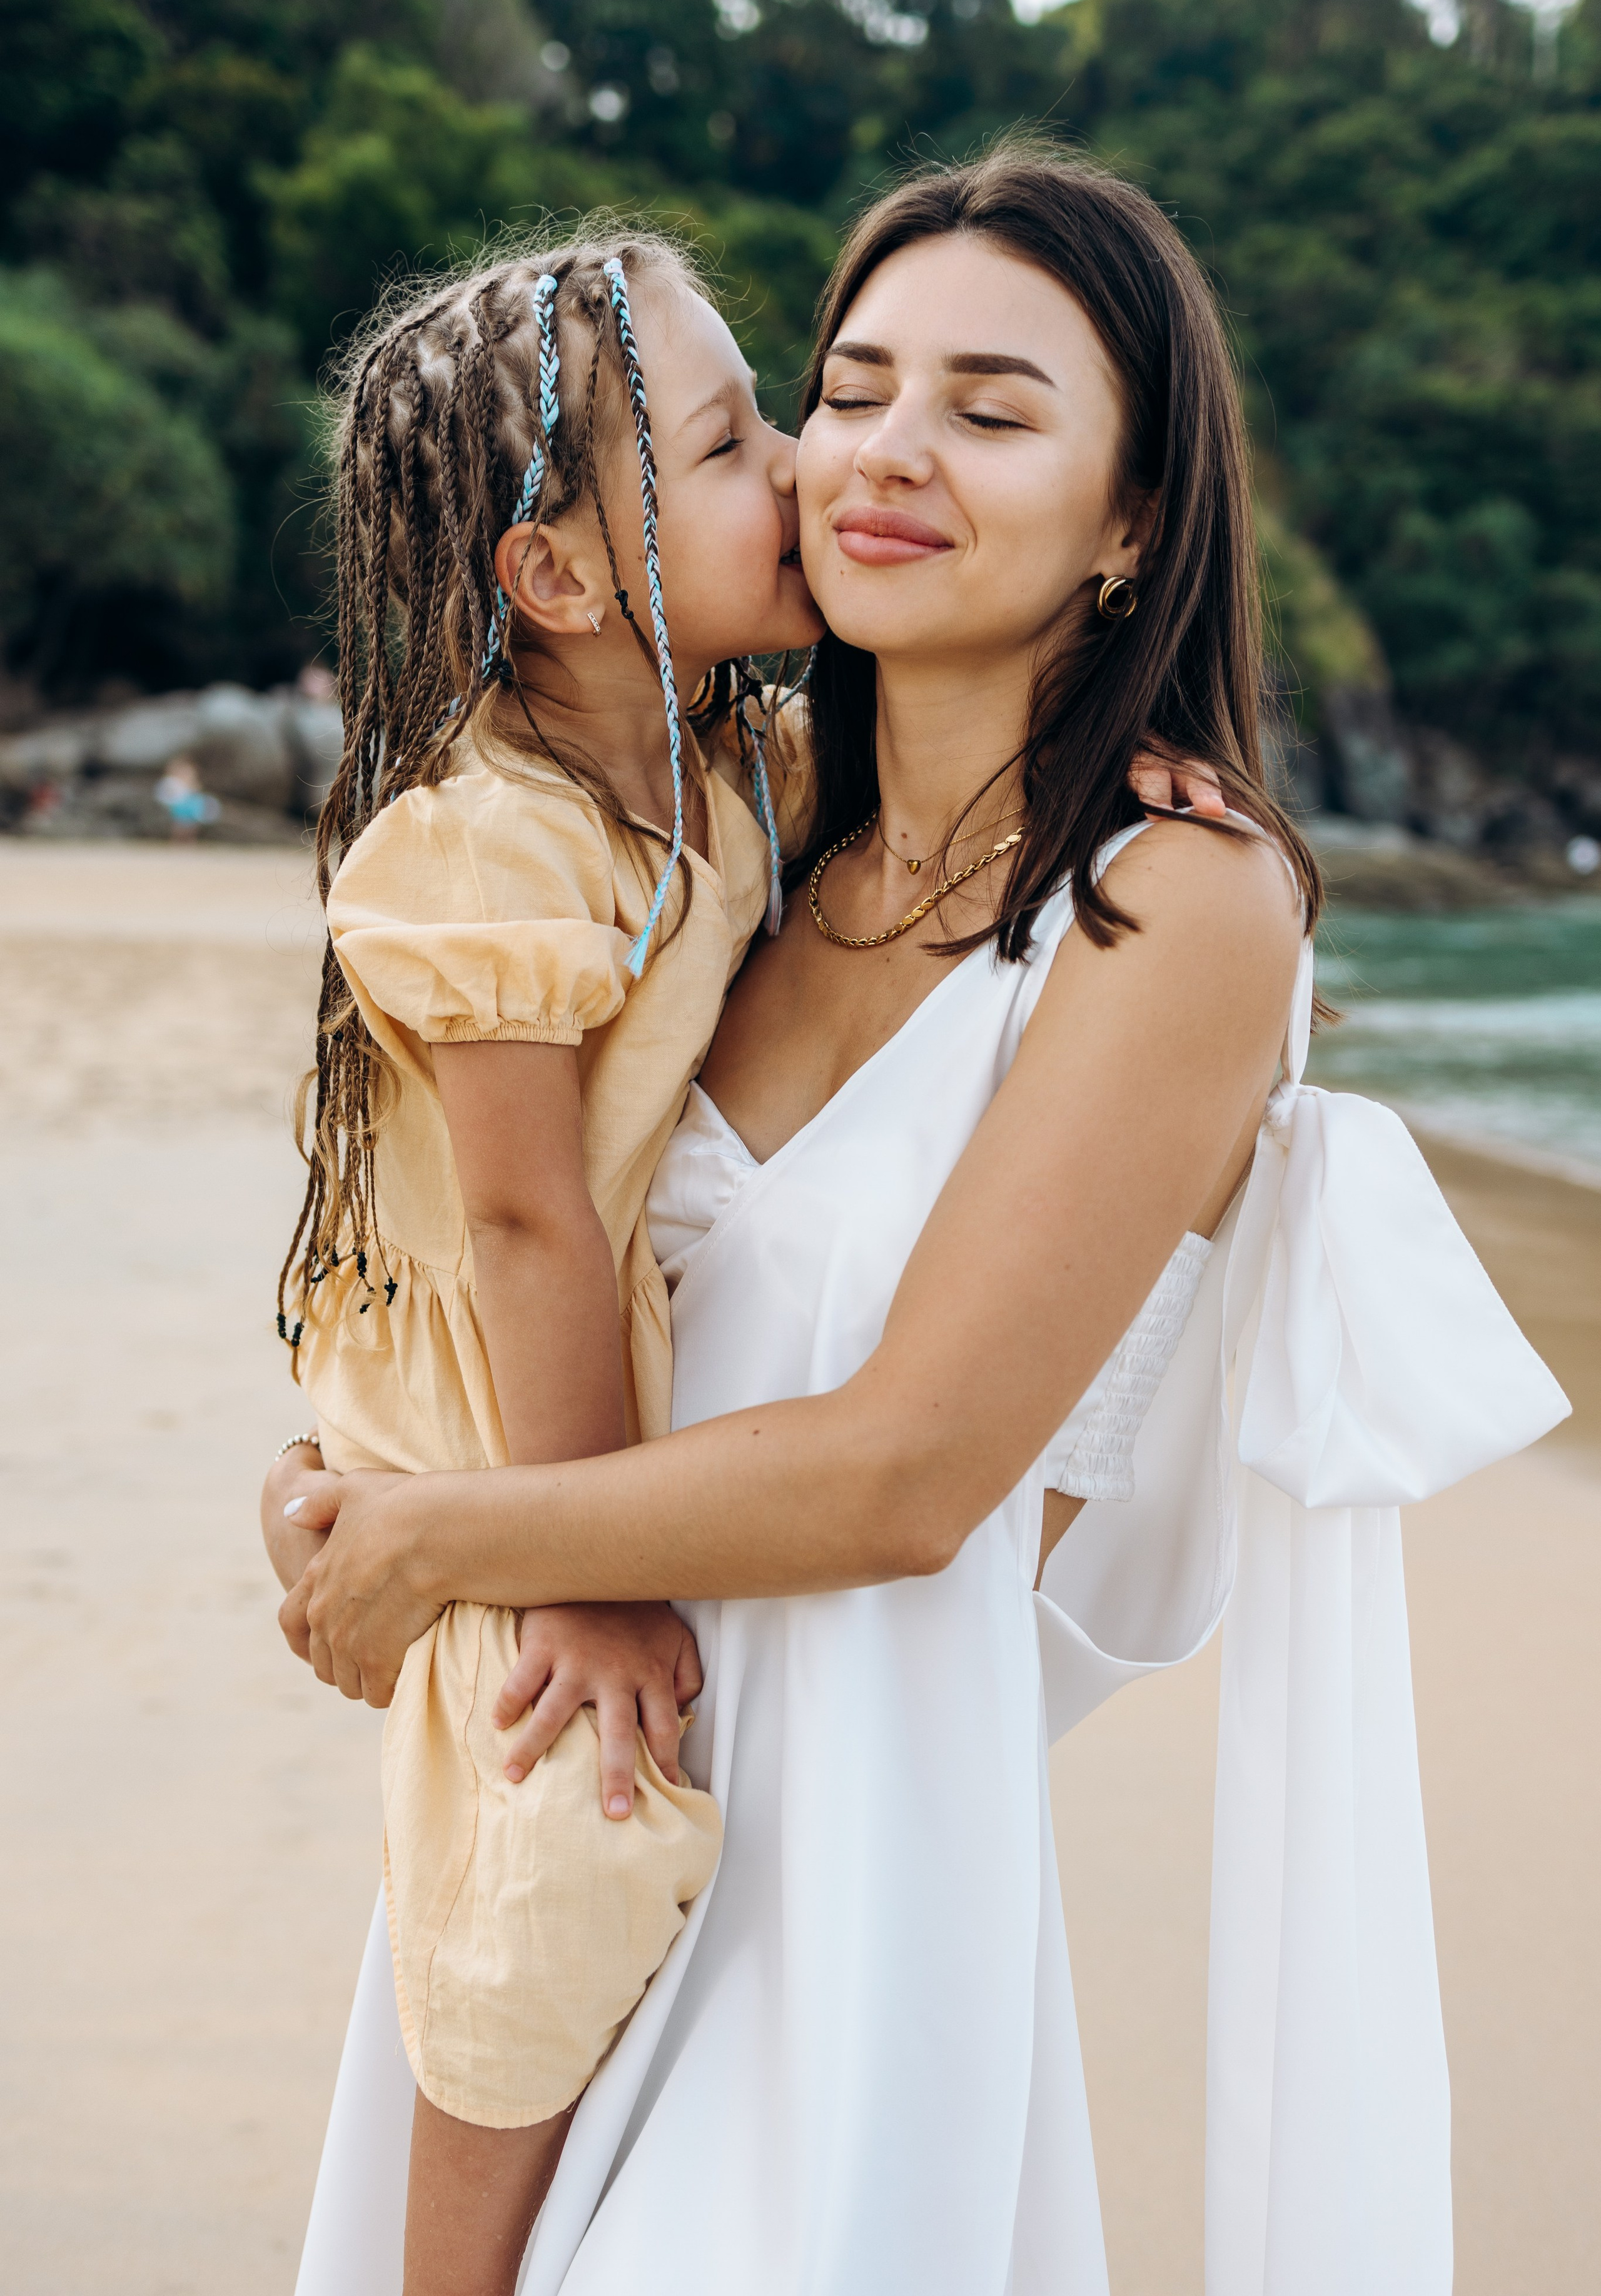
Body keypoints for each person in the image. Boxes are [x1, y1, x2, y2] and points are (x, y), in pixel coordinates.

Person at [272, 147, 1566, 2295]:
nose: (877, 453)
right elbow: (503, 1240)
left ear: (1135, 515)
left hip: (855, 1884)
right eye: (850, 385)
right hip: (560, 1807)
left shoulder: (1172, 901)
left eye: (993, 407)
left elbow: (910, 1473)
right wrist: (346, 1481)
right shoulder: (730, 851)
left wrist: (445, 1547)